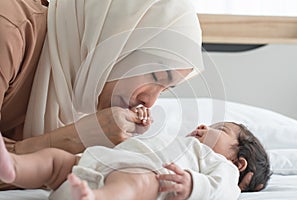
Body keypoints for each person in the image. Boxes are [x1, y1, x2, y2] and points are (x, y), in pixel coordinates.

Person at [0, 0, 257, 191]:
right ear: (115, 44)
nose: (151, 102)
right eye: (155, 77)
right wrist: (73, 137)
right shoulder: (10, 31)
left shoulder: (78, 84)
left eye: (165, 90)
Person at [0, 116, 271, 199]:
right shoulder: (178, 142)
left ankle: (99, 198)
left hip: (149, 177)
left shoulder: (224, 168)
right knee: (57, 161)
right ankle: (13, 167)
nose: (203, 127)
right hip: (96, 163)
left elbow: (225, 191)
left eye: (219, 130)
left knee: (140, 183)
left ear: (240, 162)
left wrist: (192, 185)